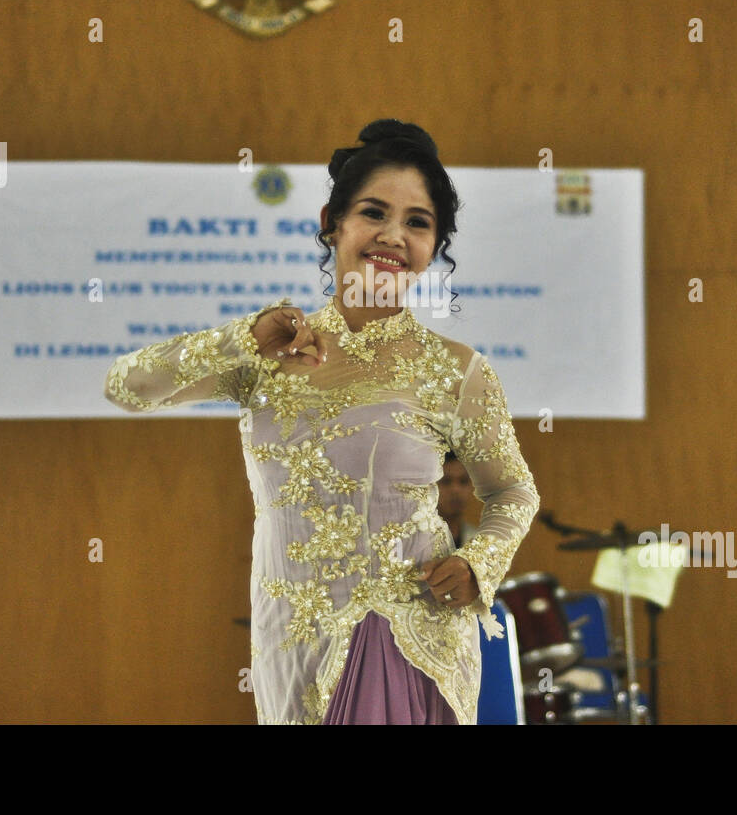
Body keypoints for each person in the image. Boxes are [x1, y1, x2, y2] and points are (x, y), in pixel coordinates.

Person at [104, 119, 541, 724]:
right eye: (373, 212)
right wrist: (241, 339)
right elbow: (127, 387)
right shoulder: (268, 353)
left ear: (434, 247)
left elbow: (512, 491)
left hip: (405, 633)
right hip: (289, 635)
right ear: (330, 222)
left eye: (418, 222)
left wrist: (480, 565)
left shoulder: (454, 371)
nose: (393, 235)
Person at [437, 452, 480, 549]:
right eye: (446, 481)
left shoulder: (478, 542)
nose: (455, 490)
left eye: (463, 481)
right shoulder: (413, 541)